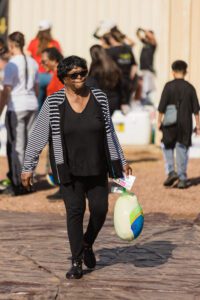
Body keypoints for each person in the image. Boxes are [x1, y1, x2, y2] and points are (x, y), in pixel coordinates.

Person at [21, 55, 132, 279]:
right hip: (68, 169)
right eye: (75, 75)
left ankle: (88, 242)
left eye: (83, 73)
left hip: (97, 166)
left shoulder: (99, 97)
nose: (80, 77)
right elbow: (38, 136)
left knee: (100, 210)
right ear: (64, 78)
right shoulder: (53, 103)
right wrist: (28, 167)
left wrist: (122, 161)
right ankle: (77, 261)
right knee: (75, 211)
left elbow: (109, 132)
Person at [0, 32, 39, 196]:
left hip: (17, 106)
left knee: (17, 146)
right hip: (32, 104)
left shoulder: (12, 64)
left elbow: (7, 89)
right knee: (30, 144)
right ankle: (30, 179)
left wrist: (0, 108)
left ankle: (19, 183)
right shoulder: (33, 62)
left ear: (11, 45)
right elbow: (36, 87)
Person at [158, 60, 200, 189]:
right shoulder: (190, 88)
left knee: (167, 146)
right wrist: (198, 125)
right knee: (182, 148)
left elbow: (161, 107)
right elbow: (196, 110)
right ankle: (182, 178)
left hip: (169, 123)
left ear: (173, 72)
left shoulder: (168, 86)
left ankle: (171, 172)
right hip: (185, 124)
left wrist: (159, 121)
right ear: (185, 72)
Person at [41, 47, 64, 197]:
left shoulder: (59, 75)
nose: (42, 64)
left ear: (54, 60)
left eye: (44, 61)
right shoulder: (55, 75)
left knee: (59, 155)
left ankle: (64, 188)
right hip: (55, 118)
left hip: (59, 120)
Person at [27, 20, 61, 108]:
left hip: (38, 76)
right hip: (51, 76)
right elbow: (60, 58)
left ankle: (39, 121)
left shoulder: (33, 42)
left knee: (38, 104)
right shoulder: (54, 43)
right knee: (52, 103)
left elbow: (28, 59)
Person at [87, 44, 126, 115]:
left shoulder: (95, 68)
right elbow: (121, 85)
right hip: (114, 100)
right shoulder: (113, 65)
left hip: (100, 101)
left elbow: (91, 85)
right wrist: (123, 101)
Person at [106, 32, 137, 105]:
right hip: (128, 80)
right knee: (126, 104)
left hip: (116, 81)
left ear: (112, 39)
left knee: (118, 104)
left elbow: (108, 67)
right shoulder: (128, 49)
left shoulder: (111, 51)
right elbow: (134, 65)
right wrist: (131, 78)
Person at [137, 28, 157, 104]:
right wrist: (139, 30)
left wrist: (144, 30)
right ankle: (145, 101)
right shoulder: (146, 43)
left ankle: (147, 102)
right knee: (143, 87)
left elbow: (152, 38)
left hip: (149, 69)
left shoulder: (153, 44)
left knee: (147, 87)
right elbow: (138, 35)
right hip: (143, 68)